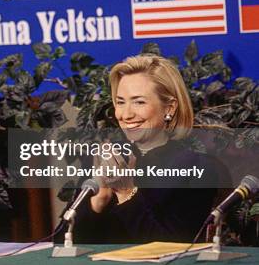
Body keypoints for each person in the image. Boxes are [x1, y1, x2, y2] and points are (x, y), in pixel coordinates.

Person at [74, 55, 216, 244]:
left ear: (170, 108)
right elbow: (62, 244)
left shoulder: (199, 168)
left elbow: (173, 248)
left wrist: (126, 194)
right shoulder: (105, 159)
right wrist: (99, 200)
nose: (126, 114)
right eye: (121, 102)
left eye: (139, 102)